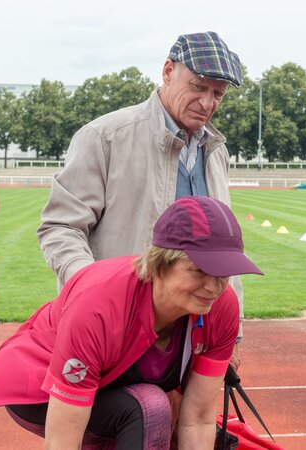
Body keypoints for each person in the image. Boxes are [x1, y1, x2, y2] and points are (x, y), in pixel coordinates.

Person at [0, 196, 263, 449]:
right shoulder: (99, 306)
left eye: (223, 272)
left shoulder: (221, 308)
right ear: (159, 264)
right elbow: (63, 439)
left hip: (114, 387)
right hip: (40, 388)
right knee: (150, 408)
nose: (213, 286)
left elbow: (199, 417)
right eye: (199, 271)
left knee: (166, 409)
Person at [37, 32, 248, 365]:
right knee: (143, 413)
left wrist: (231, 332)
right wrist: (94, 295)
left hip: (195, 335)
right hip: (116, 331)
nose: (208, 103)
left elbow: (224, 253)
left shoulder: (216, 152)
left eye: (218, 93)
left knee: (193, 418)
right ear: (167, 71)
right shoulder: (104, 137)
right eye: (198, 87)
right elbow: (61, 228)